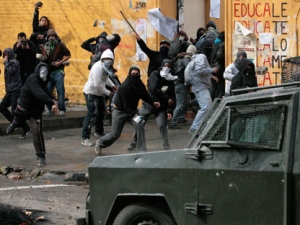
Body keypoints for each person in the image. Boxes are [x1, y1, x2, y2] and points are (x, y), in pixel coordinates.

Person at [94, 66, 160, 155]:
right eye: (133, 74)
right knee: (115, 134)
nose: (135, 75)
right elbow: (126, 106)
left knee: (139, 125)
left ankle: (141, 150)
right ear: (129, 74)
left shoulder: (139, 84)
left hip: (132, 110)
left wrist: (152, 102)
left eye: (137, 74)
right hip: (120, 111)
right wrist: (134, 116)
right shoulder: (125, 87)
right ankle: (100, 143)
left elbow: (144, 95)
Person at [6, 62, 58, 166]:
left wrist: (52, 100)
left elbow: (45, 91)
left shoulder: (44, 81)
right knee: (18, 117)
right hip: (24, 107)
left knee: (37, 133)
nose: (44, 74)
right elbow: (39, 93)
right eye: (42, 72)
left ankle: (40, 156)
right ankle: (15, 123)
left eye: (45, 72)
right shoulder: (32, 79)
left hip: (35, 111)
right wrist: (50, 102)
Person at [128, 59, 176, 151]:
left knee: (162, 125)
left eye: (169, 66)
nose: (167, 68)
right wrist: (166, 97)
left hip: (161, 108)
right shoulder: (155, 74)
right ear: (162, 66)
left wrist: (170, 110)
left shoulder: (170, 79)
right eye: (165, 65)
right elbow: (154, 89)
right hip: (148, 105)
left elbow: (172, 95)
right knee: (138, 122)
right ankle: (134, 142)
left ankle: (166, 145)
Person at [81, 49, 118, 147]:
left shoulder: (106, 67)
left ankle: (99, 131)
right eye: (107, 58)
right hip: (91, 92)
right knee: (91, 114)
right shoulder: (98, 67)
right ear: (102, 59)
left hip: (99, 92)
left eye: (110, 59)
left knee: (102, 111)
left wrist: (113, 85)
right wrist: (108, 93)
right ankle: (85, 138)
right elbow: (97, 84)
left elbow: (105, 78)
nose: (109, 61)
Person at [0, 48, 31, 139]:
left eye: (6, 55)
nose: (5, 57)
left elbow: (12, 71)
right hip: (10, 90)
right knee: (2, 107)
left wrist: (6, 63)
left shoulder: (14, 62)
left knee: (15, 111)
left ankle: (26, 128)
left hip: (16, 89)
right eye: (4, 55)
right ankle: (14, 123)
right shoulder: (9, 62)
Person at [185, 53, 218, 134]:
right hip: (200, 86)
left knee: (207, 107)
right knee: (206, 107)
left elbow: (198, 71)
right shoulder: (201, 56)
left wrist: (211, 76)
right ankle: (195, 127)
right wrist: (213, 70)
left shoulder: (195, 60)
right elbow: (200, 70)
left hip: (199, 86)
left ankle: (203, 127)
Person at [42, 29, 71, 116]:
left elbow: (68, 55)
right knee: (48, 91)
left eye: (53, 36)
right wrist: (43, 53)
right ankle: (50, 109)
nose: (51, 37)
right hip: (49, 71)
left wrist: (60, 62)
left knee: (60, 90)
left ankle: (62, 109)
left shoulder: (60, 45)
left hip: (58, 71)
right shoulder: (46, 46)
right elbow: (45, 58)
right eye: (50, 36)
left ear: (55, 37)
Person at [169, 44, 197, 129]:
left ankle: (179, 119)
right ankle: (173, 122)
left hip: (179, 83)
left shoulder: (179, 59)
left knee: (184, 102)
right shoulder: (187, 60)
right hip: (181, 83)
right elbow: (190, 69)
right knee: (181, 103)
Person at [210, 31, 226, 101]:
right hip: (219, 68)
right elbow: (220, 56)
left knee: (213, 88)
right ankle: (216, 104)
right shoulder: (222, 44)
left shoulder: (215, 43)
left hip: (213, 67)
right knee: (221, 88)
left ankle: (210, 103)